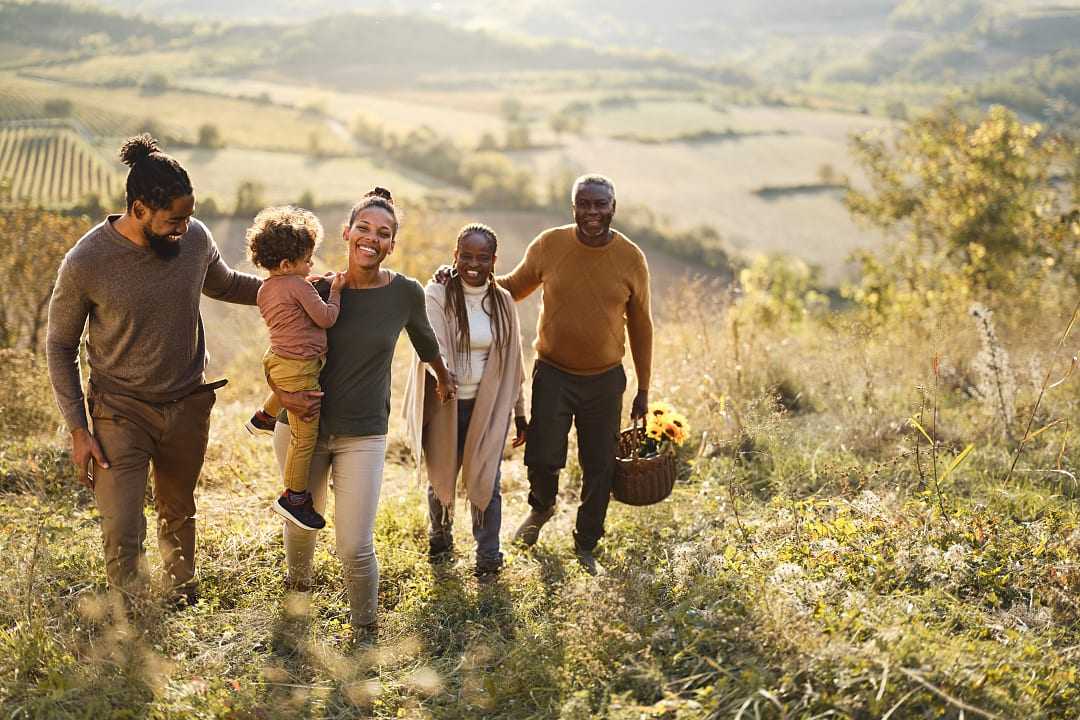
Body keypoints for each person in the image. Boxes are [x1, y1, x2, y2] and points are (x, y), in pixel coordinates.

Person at [45, 134, 261, 604]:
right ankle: (132, 620)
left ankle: (181, 599)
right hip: (119, 410)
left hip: (186, 404)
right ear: (139, 208)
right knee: (122, 524)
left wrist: (292, 288)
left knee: (179, 510)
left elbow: (225, 284)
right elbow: (60, 346)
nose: (184, 229)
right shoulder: (86, 262)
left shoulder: (196, 237)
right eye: (173, 220)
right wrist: (79, 429)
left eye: (187, 217)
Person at [438, 174, 653, 574]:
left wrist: (643, 387)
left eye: (600, 205)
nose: (592, 212)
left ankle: (587, 542)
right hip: (553, 372)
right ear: (573, 207)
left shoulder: (631, 258)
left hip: (605, 378)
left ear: (613, 208)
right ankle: (542, 507)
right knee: (541, 454)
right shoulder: (550, 244)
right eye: (584, 204)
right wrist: (461, 277)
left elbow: (642, 324)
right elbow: (510, 288)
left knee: (600, 463)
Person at [270, 187, 455, 636]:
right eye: (365, 228)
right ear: (347, 233)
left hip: (364, 434)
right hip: (302, 428)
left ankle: (365, 632)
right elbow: (280, 352)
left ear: (392, 244)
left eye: (384, 233)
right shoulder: (314, 289)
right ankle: (297, 610)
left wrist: (444, 377)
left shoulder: (405, 293)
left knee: (354, 545)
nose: (372, 239)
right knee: (301, 526)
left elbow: (425, 341)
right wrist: (281, 393)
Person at [404, 224, 527, 581]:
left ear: (494, 260)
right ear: (454, 256)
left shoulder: (502, 301)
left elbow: (513, 360)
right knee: (441, 475)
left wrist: (519, 412)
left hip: (486, 407)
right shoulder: (438, 293)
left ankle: (488, 555)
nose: (474, 263)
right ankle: (440, 540)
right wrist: (445, 378)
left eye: (482, 257)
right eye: (466, 256)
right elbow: (432, 343)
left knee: (488, 478)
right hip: (446, 402)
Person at [243, 205, 346, 532]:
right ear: (287, 264)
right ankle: (295, 497)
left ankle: (263, 417)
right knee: (305, 438)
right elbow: (326, 317)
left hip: (276, 359)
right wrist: (337, 292)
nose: (311, 265)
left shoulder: (265, 288)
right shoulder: (299, 286)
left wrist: (310, 281)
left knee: (284, 386)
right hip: (300, 369)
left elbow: (291, 300)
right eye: (306, 261)